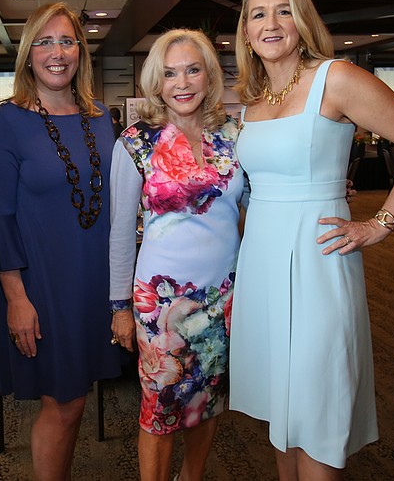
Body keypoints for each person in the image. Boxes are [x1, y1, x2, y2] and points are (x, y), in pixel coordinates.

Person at [229, 0, 394, 481]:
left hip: (318, 262)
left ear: (302, 20)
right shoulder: (253, 101)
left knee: (317, 408)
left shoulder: (338, 78)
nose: (271, 23)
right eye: (258, 13)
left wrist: (382, 223)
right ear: (244, 31)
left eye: (283, 10)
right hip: (260, 264)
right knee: (278, 415)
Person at [0, 2, 121, 481]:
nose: (56, 52)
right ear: (28, 53)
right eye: (44, 41)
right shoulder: (6, 123)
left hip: (93, 282)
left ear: (80, 49)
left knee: (76, 402)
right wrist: (15, 299)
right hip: (42, 287)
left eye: (66, 40)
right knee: (63, 405)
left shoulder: (99, 118)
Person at [109, 29, 245, 481]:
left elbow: (257, 205)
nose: (181, 83)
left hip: (224, 298)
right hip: (161, 303)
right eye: (169, 74)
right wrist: (120, 308)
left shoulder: (234, 135)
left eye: (192, 70)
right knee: (160, 409)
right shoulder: (135, 141)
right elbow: (120, 234)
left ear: (209, 76)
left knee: (208, 401)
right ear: (156, 81)